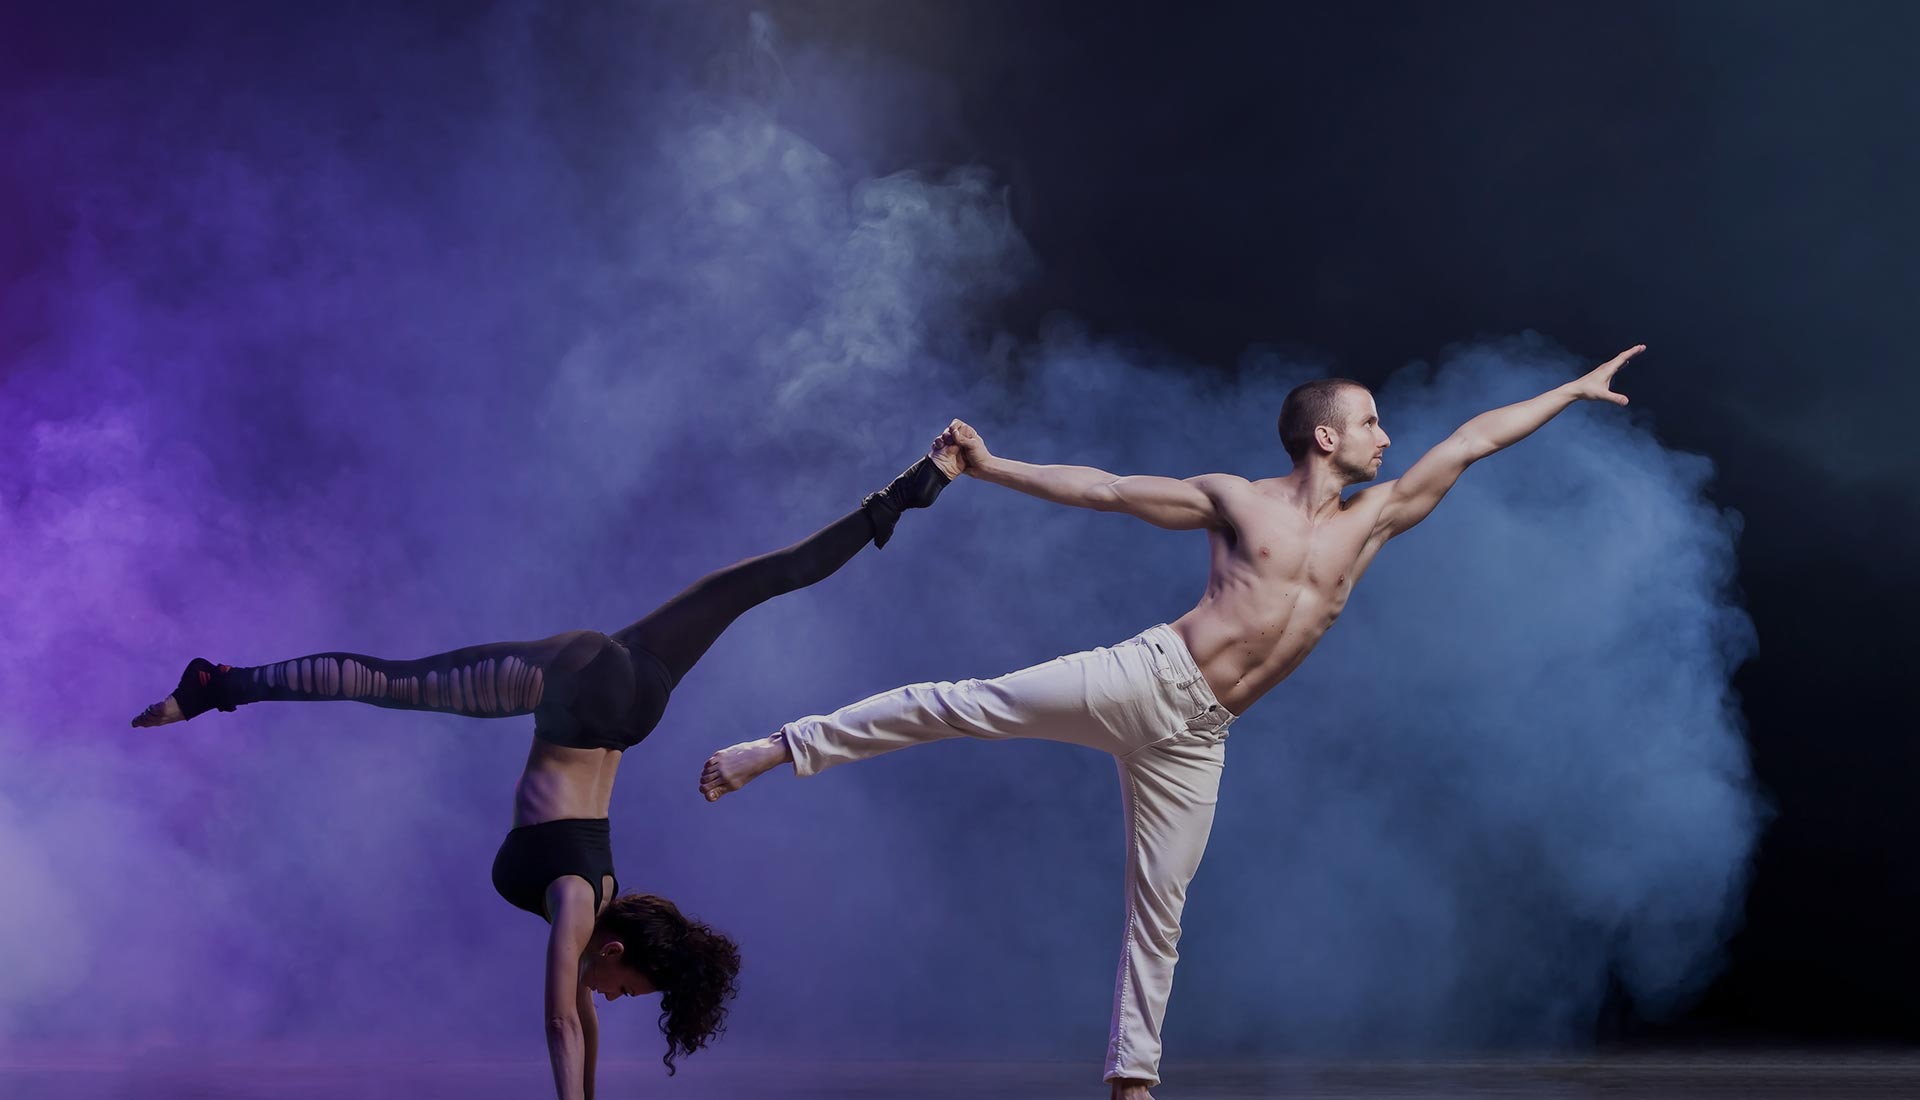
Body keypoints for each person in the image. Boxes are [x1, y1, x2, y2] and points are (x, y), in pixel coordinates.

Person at [699, 346, 1647, 1099]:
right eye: (1369, 422)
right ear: (1323, 437)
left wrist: (1570, 390)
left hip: (1201, 737)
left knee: (1162, 906)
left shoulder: (1377, 521)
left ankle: (1132, 1082)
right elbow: (1109, 488)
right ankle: (779, 747)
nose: (1386, 437)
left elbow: (1474, 440)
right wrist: (988, 468)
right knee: (961, 705)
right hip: (1145, 678)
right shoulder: (1235, 502)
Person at [131, 445, 962, 1100]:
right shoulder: (575, 899)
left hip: (636, 694)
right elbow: (563, 1022)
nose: (611, 998)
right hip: (576, 691)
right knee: (387, 683)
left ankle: (901, 496)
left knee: (765, 581)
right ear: (621, 948)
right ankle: (217, 685)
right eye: (628, 988)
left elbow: (581, 1021)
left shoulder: (600, 898)